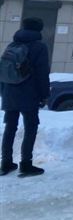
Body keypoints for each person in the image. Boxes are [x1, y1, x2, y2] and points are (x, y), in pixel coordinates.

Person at [0, 18, 50, 177]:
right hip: (29, 94)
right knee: (30, 127)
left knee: (10, 128)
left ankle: (6, 163)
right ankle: (26, 164)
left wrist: (3, 92)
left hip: (10, 93)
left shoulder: (12, 45)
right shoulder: (39, 47)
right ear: (39, 30)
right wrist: (44, 95)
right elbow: (42, 73)